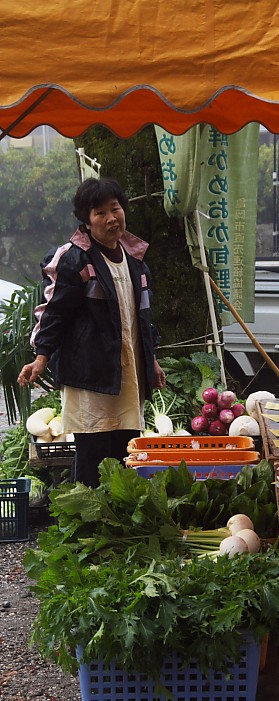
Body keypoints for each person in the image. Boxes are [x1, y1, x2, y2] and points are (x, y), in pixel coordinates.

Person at [18, 177, 166, 487]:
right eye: (100, 213)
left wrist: (150, 360)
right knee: (93, 454)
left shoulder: (136, 261)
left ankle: (119, 521)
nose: (112, 218)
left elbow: (141, 318)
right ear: (86, 221)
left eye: (115, 209)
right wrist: (41, 356)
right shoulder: (75, 260)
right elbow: (53, 311)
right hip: (89, 374)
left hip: (127, 374)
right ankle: (88, 523)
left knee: (126, 449)